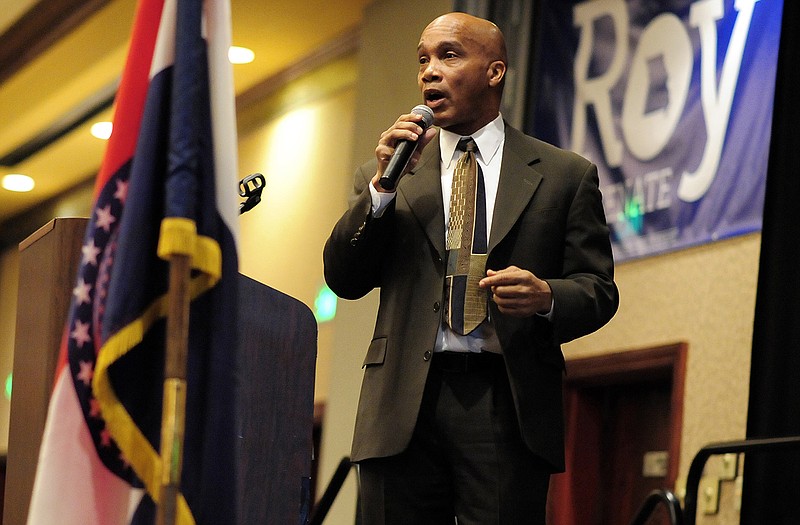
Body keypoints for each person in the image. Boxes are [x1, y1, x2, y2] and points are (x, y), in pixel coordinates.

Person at [323, 12, 619, 525]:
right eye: (423, 59)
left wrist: (545, 296)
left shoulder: (564, 175)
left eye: (449, 55)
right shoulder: (393, 173)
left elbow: (599, 290)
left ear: (495, 72)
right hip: (401, 405)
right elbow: (344, 279)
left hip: (505, 403)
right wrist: (380, 191)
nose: (429, 71)